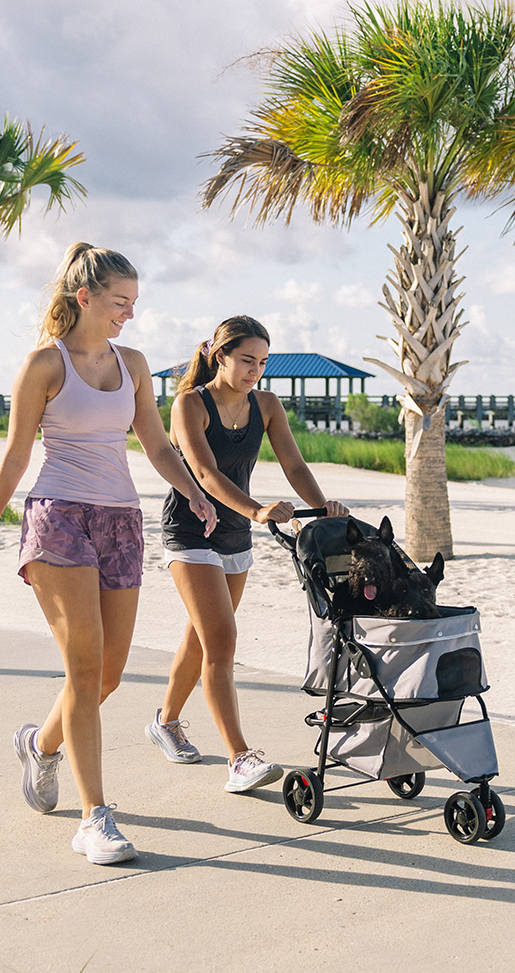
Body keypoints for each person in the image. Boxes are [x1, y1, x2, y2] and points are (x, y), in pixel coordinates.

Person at [0, 242, 217, 865]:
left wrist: (195, 493)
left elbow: (154, 445)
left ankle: (40, 745)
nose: (128, 313)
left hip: (121, 520)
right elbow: (16, 455)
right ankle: (95, 817)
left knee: (109, 673)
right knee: (83, 666)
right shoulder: (44, 365)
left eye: (133, 303)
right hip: (59, 519)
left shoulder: (133, 362)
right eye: (119, 302)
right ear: (85, 298)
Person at [145, 315, 346, 791]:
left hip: (236, 533)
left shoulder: (268, 404)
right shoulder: (189, 404)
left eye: (262, 361)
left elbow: (293, 463)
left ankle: (166, 721)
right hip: (191, 531)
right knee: (222, 640)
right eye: (246, 360)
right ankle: (239, 758)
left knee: (202, 636)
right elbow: (206, 472)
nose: (255, 369)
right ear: (221, 356)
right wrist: (258, 510)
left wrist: (322, 508)